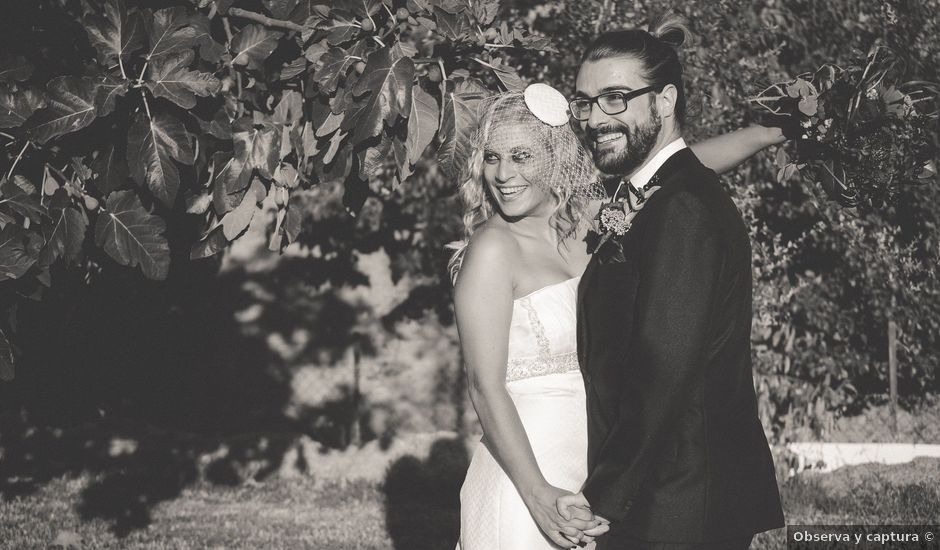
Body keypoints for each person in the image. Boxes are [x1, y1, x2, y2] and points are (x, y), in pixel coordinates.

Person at [450, 49, 785, 550]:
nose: (503, 175)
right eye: (493, 158)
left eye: (521, 156)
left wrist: (767, 134)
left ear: (555, 155)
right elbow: (484, 387)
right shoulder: (492, 249)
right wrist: (537, 493)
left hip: (595, 461)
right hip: (528, 471)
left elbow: (673, 174)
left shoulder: (588, 219)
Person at [555, 14, 786, 550]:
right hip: (666, 487)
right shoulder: (658, 193)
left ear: (664, 102)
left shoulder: (681, 206)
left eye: (615, 98)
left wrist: (603, 499)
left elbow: (663, 369)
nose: (594, 119)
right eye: (584, 103)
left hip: (677, 498)